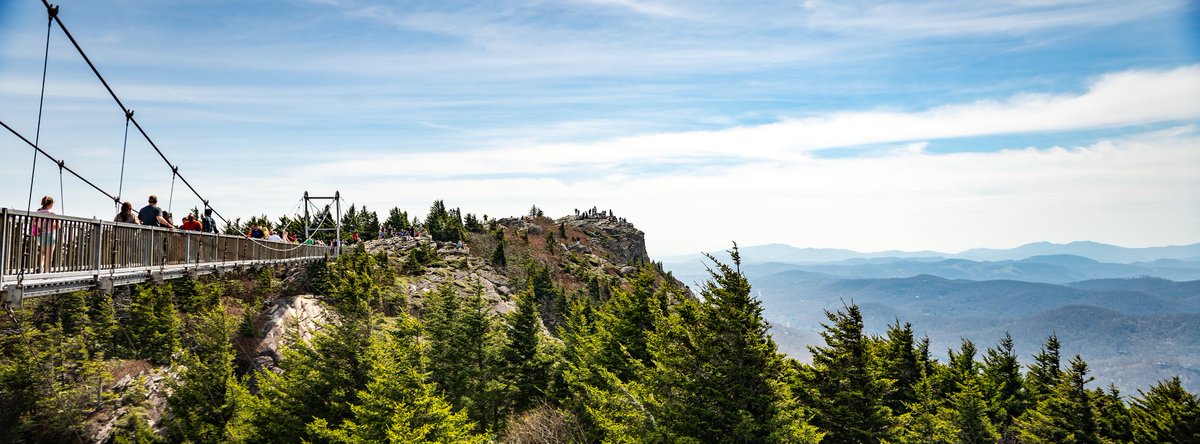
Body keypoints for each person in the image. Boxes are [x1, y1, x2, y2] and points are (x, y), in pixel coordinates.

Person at [33, 195, 58, 273]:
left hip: (41, 235)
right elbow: (57, 226)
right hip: (50, 235)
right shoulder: (52, 214)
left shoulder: (37, 212)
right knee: (49, 254)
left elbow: (33, 222)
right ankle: (47, 272)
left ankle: (41, 267)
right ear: (50, 204)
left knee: (43, 252)